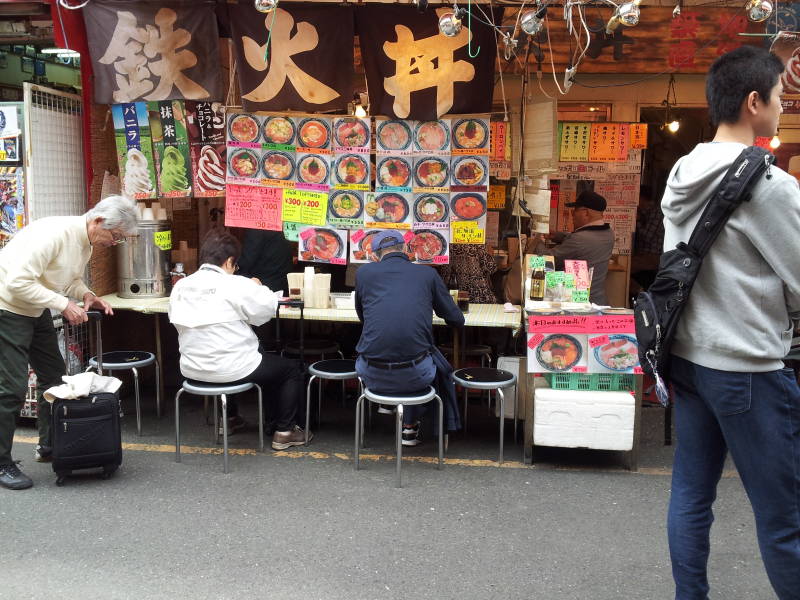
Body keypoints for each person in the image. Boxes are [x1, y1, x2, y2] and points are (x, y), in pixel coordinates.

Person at [662, 46, 800, 599]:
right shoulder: (768, 185)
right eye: (781, 96)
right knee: (785, 516)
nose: (783, 105)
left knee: (692, 496)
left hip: (689, 358)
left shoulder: (682, 170)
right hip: (747, 365)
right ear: (753, 102)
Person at [0, 195, 138, 490]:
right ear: (98, 221)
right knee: (11, 388)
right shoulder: (54, 234)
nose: (114, 243)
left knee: (54, 378)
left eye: (120, 239)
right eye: (115, 236)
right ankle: (2, 462)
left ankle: (50, 445)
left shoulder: (84, 240)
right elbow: (17, 283)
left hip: (34, 309)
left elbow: (68, 279)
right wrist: (63, 304)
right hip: (7, 308)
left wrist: (86, 294)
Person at [168, 229, 311, 451]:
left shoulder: (180, 286)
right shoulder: (236, 284)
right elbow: (264, 314)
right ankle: (285, 431)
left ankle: (230, 419)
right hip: (233, 369)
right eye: (234, 266)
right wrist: (256, 286)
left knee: (238, 354)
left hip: (193, 368)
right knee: (291, 369)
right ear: (229, 262)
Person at [355, 230, 464, 445]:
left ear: (375, 255)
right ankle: (409, 427)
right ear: (406, 249)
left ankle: (386, 404)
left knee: (393, 348)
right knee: (422, 355)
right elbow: (456, 319)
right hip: (416, 376)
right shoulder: (427, 275)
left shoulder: (364, 273)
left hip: (372, 376)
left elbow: (363, 316)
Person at [536, 190, 614, 305]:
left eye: (574, 211)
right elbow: (585, 240)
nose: (572, 215)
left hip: (577, 304)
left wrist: (538, 239)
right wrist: (559, 236)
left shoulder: (579, 240)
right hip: (598, 300)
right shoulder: (609, 233)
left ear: (585, 213)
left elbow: (545, 260)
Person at [236, 228, 295, 295]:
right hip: (283, 287)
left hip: (263, 290)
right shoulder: (284, 227)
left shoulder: (257, 229)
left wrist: (235, 270)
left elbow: (246, 261)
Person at [630, 185, 664, 293]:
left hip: (652, 257)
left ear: (642, 198)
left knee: (626, 269)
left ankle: (642, 293)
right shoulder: (646, 212)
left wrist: (637, 221)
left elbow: (648, 237)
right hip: (643, 255)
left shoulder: (656, 213)